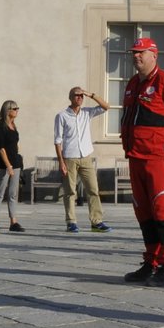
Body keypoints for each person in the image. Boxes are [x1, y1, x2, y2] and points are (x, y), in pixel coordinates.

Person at [119, 38, 164, 283]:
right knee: (144, 213)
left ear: (154, 55)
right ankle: (151, 261)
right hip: (136, 157)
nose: (136, 56)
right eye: (134, 52)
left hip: (160, 158)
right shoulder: (132, 84)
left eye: (141, 52)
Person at [53, 86, 110, 232]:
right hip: (69, 157)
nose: (80, 97)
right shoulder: (62, 116)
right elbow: (58, 140)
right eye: (77, 95)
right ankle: (71, 221)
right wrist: (61, 162)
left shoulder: (87, 113)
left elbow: (106, 107)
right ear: (70, 97)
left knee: (93, 189)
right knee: (70, 191)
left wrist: (90, 94)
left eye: (81, 95)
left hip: (86, 156)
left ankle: (96, 222)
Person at [0, 100, 25, 233]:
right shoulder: (1, 126)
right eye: (15, 108)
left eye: (17, 108)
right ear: (8, 110)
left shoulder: (13, 126)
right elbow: (1, 149)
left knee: (13, 194)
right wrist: (8, 166)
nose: (17, 110)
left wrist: (16, 161)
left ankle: (13, 222)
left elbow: (14, 144)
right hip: (2, 165)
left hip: (15, 163)